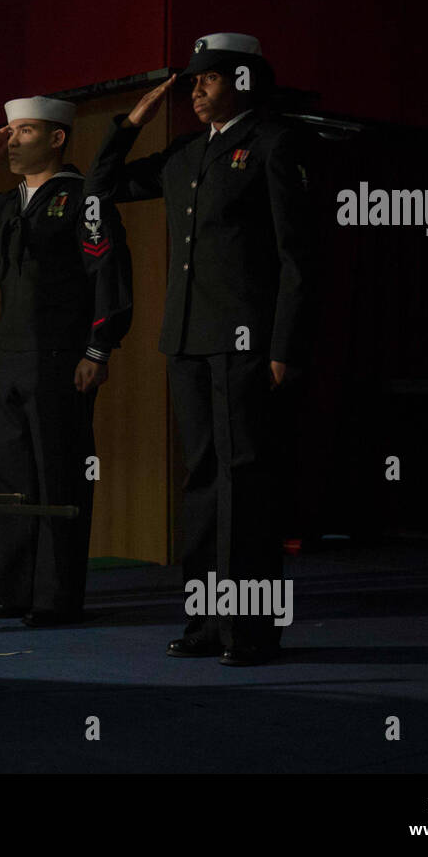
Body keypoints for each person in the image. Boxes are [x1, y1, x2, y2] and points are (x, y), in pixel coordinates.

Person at [86, 33, 316, 664]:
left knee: (247, 483)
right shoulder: (187, 153)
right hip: (188, 339)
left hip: (247, 342)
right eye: (191, 81)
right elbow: (100, 185)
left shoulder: (275, 141)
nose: (194, 89)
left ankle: (250, 631)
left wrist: (284, 343)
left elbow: (298, 255)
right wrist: (131, 121)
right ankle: (206, 625)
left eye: (206, 78)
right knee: (203, 484)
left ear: (242, 79)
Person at [0, 96, 133, 626]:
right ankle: (14, 590)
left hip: (62, 357)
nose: (13, 141)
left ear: (57, 137)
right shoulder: (6, 203)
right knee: (10, 476)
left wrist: (98, 349)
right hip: (11, 358)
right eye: (8, 131)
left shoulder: (82, 197)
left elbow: (108, 275)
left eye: (25, 131)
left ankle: (56, 597)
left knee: (58, 475)